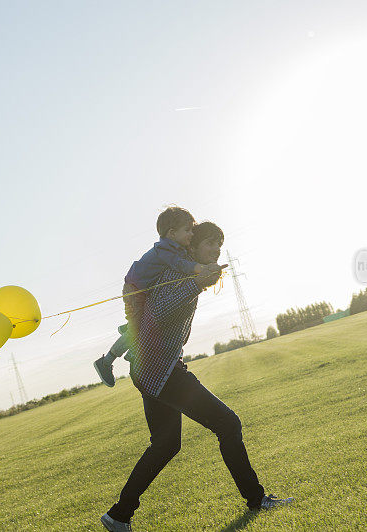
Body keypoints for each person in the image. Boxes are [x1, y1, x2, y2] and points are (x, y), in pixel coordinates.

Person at [100, 222, 293, 532]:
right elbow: (159, 312)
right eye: (210, 245)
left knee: (165, 445)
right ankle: (257, 500)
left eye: (219, 245)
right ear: (193, 249)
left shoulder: (187, 272)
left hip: (151, 370)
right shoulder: (177, 274)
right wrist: (197, 282)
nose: (216, 250)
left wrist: (199, 280)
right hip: (161, 371)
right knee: (228, 423)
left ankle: (119, 515)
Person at [93, 206, 220, 387]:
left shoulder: (174, 248)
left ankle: (129, 332)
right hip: (135, 289)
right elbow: (179, 265)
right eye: (188, 230)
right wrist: (201, 271)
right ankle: (107, 361)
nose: (191, 234)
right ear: (172, 233)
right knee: (136, 330)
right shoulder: (167, 250)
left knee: (136, 326)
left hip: (141, 288)